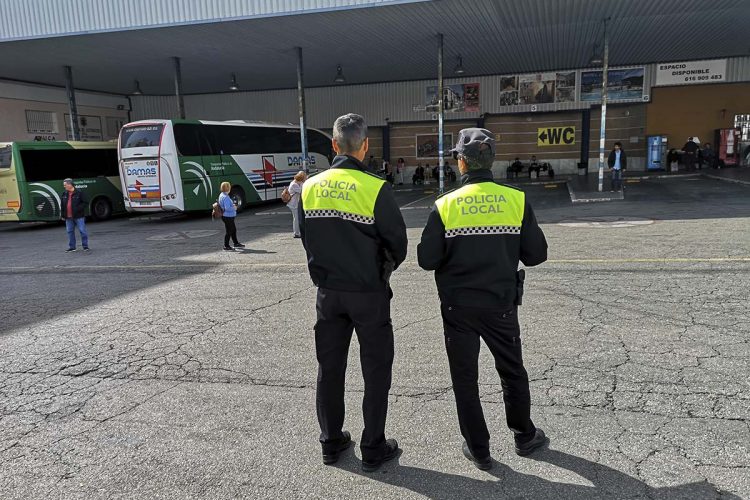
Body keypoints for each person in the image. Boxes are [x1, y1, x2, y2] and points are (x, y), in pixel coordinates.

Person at [417, 128, 549, 470]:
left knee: (465, 378)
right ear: (492, 161)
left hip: (457, 308)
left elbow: (427, 259)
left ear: (461, 162)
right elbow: (536, 255)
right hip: (501, 304)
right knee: (511, 371)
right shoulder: (515, 199)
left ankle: (478, 449)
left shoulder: (445, 205)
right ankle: (524, 436)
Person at [298, 113, 408, 472]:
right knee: (375, 369)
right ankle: (373, 445)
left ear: (333, 145)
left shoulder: (310, 187)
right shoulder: (375, 188)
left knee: (329, 368)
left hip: (328, 293)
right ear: (364, 146)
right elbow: (398, 245)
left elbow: (306, 237)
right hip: (368, 292)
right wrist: (380, 270)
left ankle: (331, 441)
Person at [61, 178, 89, 252]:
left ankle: (85, 246)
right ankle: (72, 247)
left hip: (78, 216)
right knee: (70, 231)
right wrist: (63, 215)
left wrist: (77, 208)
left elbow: (85, 203)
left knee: (82, 231)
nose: (64, 186)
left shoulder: (79, 192)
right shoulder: (64, 193)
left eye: (65, 185)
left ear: (70, 185)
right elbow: (63, 206)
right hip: (68, 217)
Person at [218, 182, 244, 251]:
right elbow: (227, 208)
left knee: (233, 229)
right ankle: (226, 245)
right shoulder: (225, 197)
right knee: (229, 231)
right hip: (228, 216)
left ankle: (236, 243)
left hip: (226, 216)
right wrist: (234, 208)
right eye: (229, 187)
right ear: (227, 188)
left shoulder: (222, 195)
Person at [287, 171, 307, 238]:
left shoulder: (299, 182)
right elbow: (302, 191)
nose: (305, 178)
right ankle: (296, 233)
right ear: (301, 177)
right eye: (304, 177)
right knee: (296, 218)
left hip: (296, 203)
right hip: (293, 204)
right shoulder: (294, 184)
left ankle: (298, 232)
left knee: (297, 218)